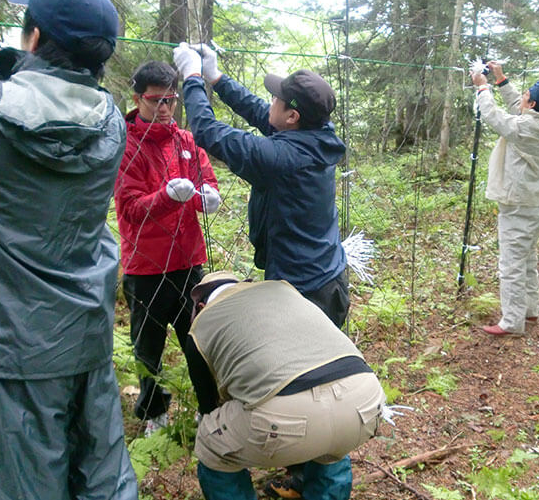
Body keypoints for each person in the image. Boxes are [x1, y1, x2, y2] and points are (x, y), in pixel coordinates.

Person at [0, 0, 138, 499]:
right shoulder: (109, 120)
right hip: (86, 332)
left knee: (27, 488)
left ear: (35, 36)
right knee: (103, 478)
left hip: (13, 347)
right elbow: (54, 90)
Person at [173, 43, 350, 329]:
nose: (271, 99)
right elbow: (262, 113)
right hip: (328, 278)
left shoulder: (281, 159)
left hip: (303, 294)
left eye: (277, 98)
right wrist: (216, 78)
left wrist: (192, 76)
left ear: (293, 117)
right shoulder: (317, 136)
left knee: (296, 369)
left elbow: (207, 130)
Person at [184, 271, 394, 500]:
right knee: (329, 448)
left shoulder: (202, 326)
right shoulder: (283, 290)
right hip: (363, 399)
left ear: (201, 305)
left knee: (212, 442)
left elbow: (209, 407)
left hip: (284, 419)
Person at [114, 59, 220, 435]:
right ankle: (154, 412)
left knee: (199, 338)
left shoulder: (186, 141)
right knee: (148, 346)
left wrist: (208, 196)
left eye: (170, 100)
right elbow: (128, 208)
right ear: (137, 97)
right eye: (155, 100)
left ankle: (208, 406)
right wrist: (165, 197)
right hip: (146, 265)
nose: (164, 108)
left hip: (189, 260)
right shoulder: (126, 145)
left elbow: (204, 179)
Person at [471, 61, 539, 337]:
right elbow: (516, 109)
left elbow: (496, 118)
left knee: (511, 263)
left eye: (525, 96)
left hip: (519, 205)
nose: (521, 98)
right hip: (532, 202)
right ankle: (530, 310)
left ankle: (512, 322)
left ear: (532, 105)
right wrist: (500, 79)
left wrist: (482, 87)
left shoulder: (524, 129)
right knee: (527, 259)